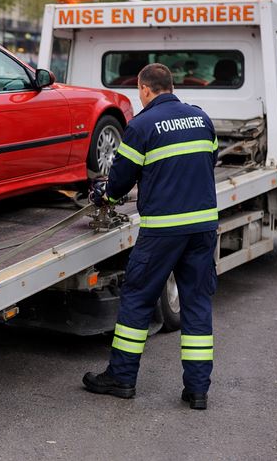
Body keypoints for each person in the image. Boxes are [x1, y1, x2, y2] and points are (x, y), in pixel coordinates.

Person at [83, 63, 219, 410]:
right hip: (203, 228)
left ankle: (122, 378)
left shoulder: (141, 126)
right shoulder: (201, 119)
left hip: (163, 232)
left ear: (145, 89)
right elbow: (209, 159)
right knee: (198, 305)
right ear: (171, 86)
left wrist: (104, 197)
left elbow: (119, 182)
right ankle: (198, 391)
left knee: (138, 298)